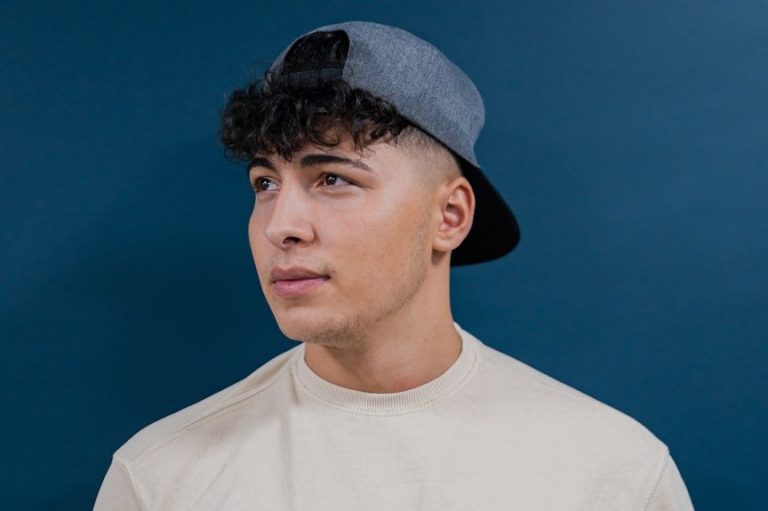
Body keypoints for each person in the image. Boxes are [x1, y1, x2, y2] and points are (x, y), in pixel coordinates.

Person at [94, 21, 695, 510]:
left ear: (449, 217)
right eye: (265, 183)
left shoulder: (610, 472)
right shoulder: (161, 477)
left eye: (332, 179)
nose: (280, 225)